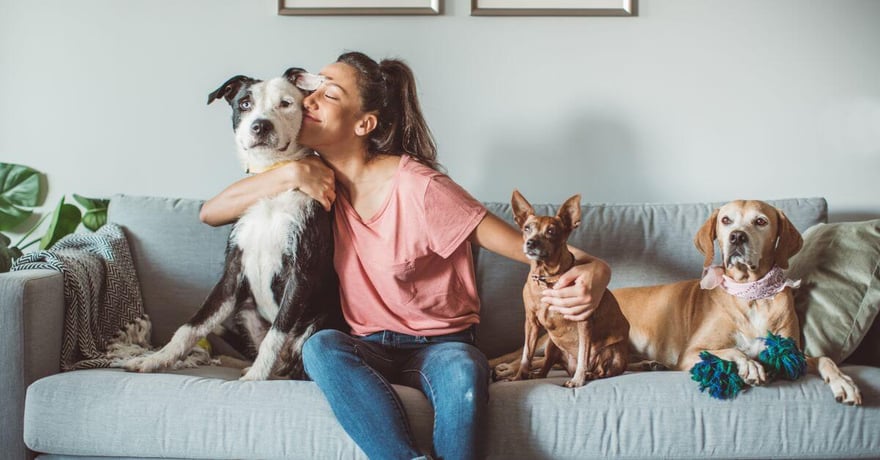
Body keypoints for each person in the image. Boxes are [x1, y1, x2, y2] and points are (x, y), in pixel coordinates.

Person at [199, 51, 611, 460]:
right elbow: (210, 212)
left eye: (329, 94)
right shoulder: (312, 178)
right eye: (313, 89)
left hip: (441, 345)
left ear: (364, 124)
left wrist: (599, 269)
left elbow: (534, 250)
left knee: (466, 371)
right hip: (366, 344)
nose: (309, 100)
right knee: (320, 347)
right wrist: (290, 172)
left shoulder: (421, 188)